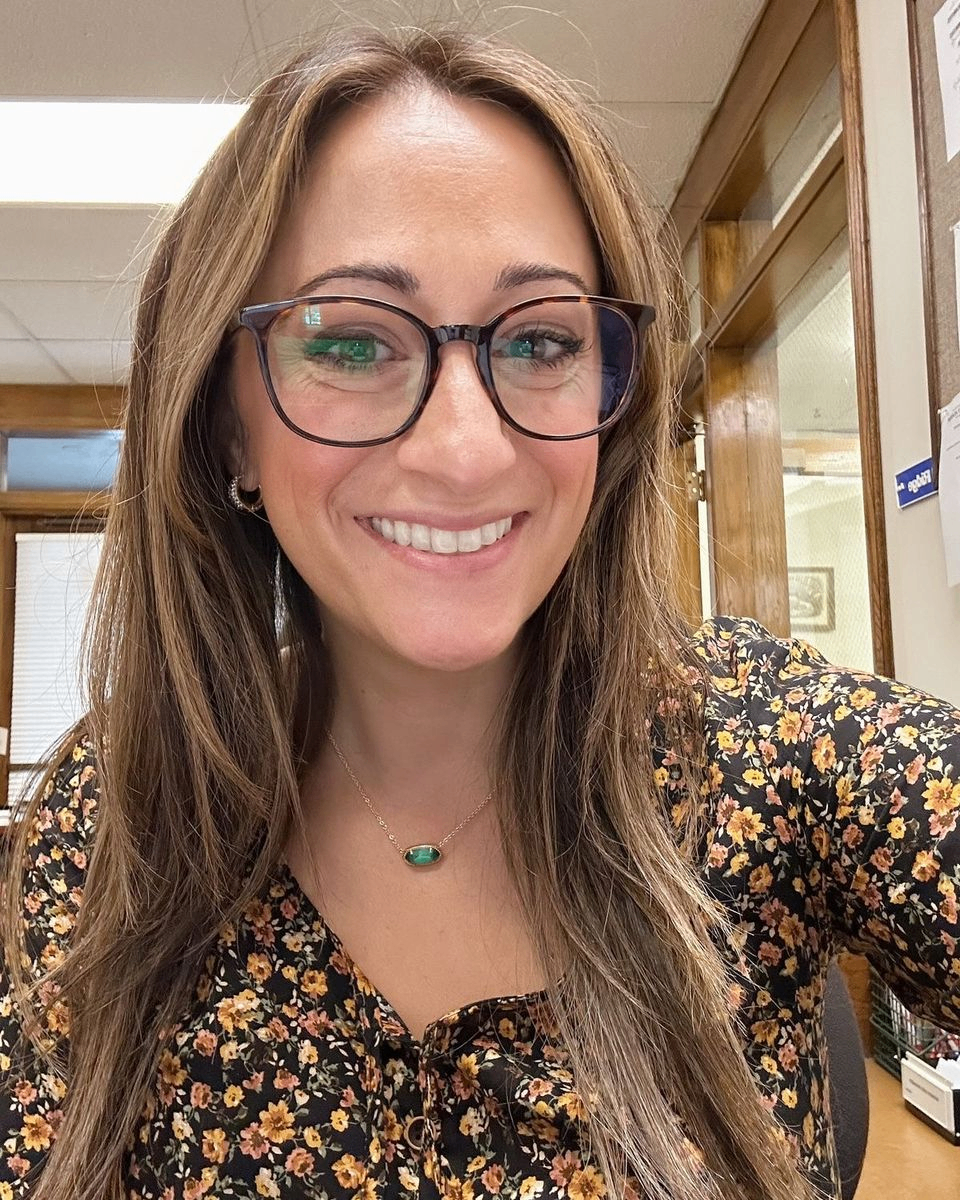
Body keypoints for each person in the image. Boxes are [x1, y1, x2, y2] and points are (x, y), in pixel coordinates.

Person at [0, 24, 957, 1200]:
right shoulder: (110, 818)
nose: (465, 449)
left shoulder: (769, 747)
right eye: (352, 341)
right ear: (225, 424)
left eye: (544, 340)